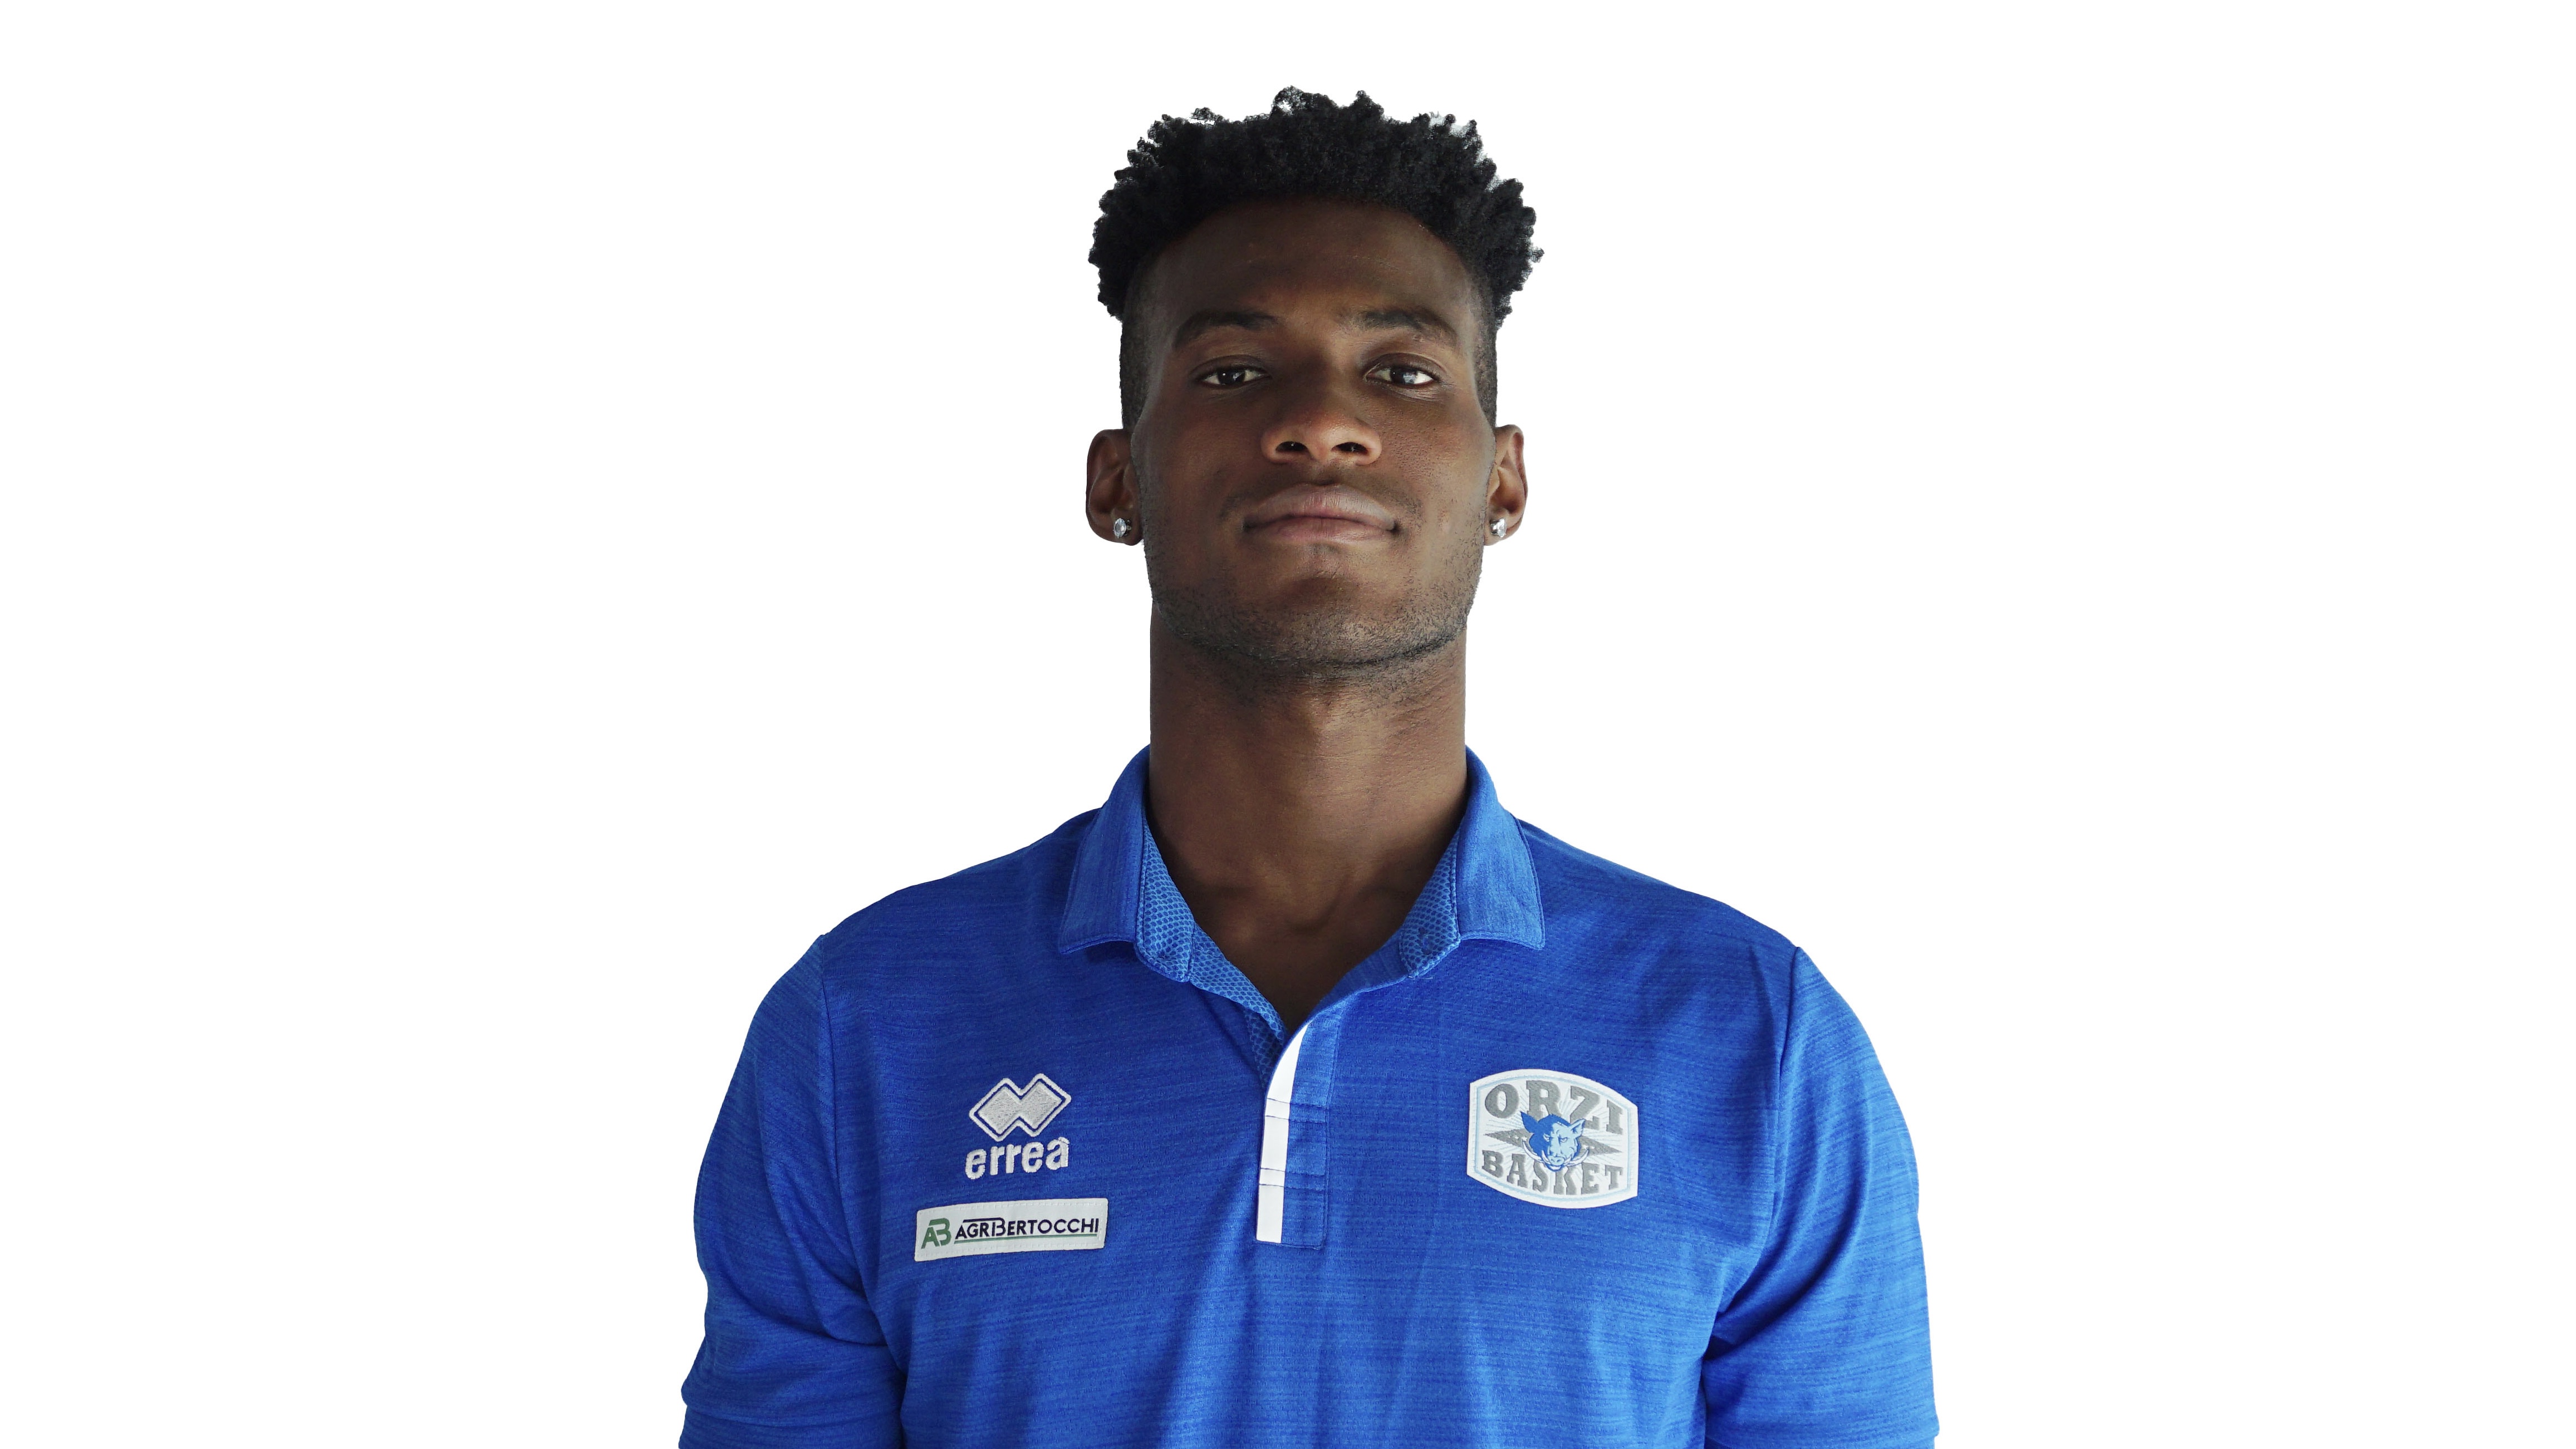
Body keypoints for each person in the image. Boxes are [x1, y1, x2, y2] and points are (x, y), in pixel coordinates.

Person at [680, 89, 1935, 1449]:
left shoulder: (1752, 1035)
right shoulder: (863, 1026)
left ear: (1504, 482)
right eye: (1233, 372)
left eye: (1402, 372)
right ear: (1117, 480)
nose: (1321, 423)